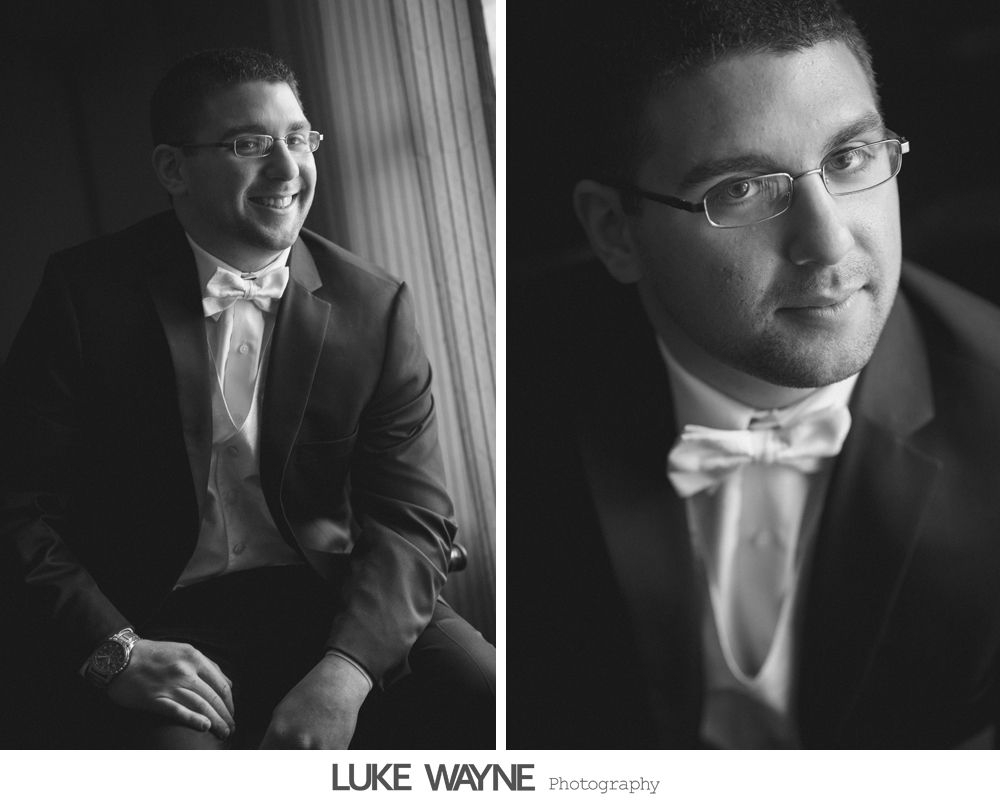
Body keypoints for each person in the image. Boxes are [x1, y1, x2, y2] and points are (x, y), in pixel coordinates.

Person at [508, 0, 1000, 749]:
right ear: (615, 233)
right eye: (740, 189)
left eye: (850, 158)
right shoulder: (509, 380)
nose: (828, 242)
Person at [0, 47, 494, 749]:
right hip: (155, 613)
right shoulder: (85, 297)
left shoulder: (375, 308)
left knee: (496, 702)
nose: (287, 168)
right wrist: (115, 650)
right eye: (249, 144)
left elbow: (412, 517)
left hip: (336, 599)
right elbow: (18, 503)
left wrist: (346, 673)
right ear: (174, 169)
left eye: (298, 139)